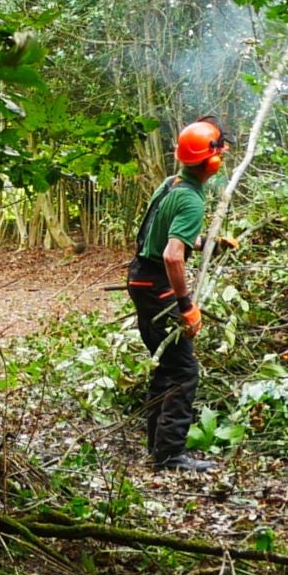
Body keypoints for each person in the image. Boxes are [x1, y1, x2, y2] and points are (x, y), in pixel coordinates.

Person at [127, 120, 223, 474]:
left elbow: (170, 236)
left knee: (167, 363)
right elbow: (171, 255)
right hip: (157, 284)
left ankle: (156, 444)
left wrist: (204, 243)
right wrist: (186, 306)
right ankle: (170, 456)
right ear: (211, 162)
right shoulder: (190, 199)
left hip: (140, 277)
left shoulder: (171, 185)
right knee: (183, 369)